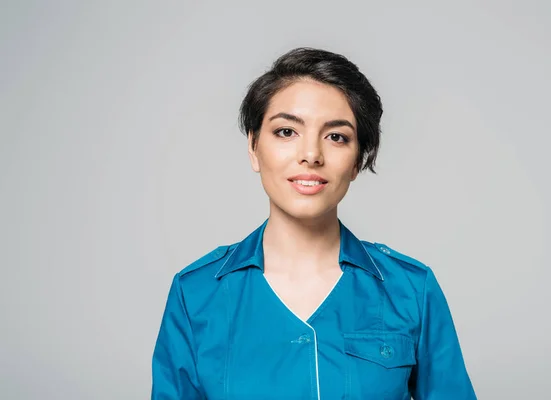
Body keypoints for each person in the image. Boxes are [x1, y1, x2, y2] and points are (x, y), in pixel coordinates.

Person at [151, 47, 476, 400]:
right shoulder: (196, 293)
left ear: (357, 161)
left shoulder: (411, 290)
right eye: (287, 131)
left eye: (336, 136)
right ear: (253, 146)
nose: (311, 154)